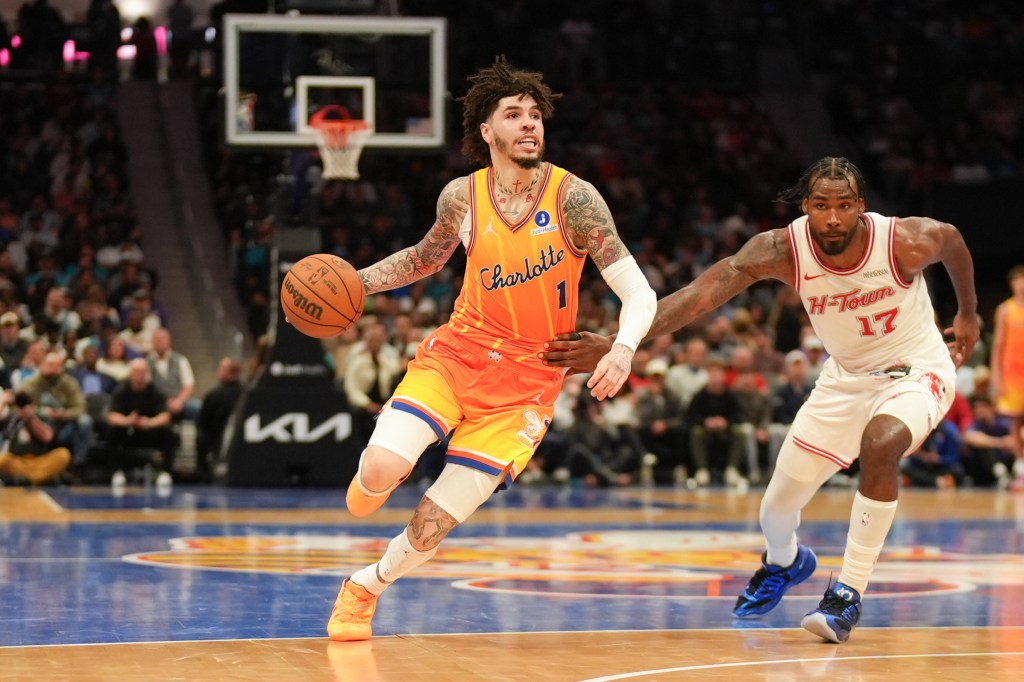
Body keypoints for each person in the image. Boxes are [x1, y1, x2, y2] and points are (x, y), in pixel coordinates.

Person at [541, 157, 978, 643]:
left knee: (880, 444)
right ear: (806, 206)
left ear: (862, 207)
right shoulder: (781, 250)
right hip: (844, 381)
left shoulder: (902, 241)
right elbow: (700, 295)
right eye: (820, 205)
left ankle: (847, 595)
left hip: (916, 370)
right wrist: (621, 340)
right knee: (775, 509)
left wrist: (968, 316)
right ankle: (786, 561)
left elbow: (953, 241)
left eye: (844, 206)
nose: (832, 217)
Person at [326, 56, 656, 642]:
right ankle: (372, 479)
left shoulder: (575, 200)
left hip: (528, 383)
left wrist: (622, 350)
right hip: (460, 354)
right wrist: (358, 281)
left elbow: (639, 292)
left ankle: (365, 587)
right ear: (487, 132)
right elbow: (421, 260)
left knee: (430, 526)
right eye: (514, 114)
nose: (529, 124)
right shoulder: (462, 197)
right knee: (378, 472)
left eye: (535, 115)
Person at [990, 265, 1024, 484]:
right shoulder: (1005, 310)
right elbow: (997, 345)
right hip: (1012, 375)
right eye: (1018, 280)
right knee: (1015, 425)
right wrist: (996, 377)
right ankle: (1021, 469)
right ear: (1012, 283)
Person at [0, 390, 71, 484]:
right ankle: (39, 479)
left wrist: (30, 417)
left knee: (63, 454)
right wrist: (3, 403)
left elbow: (47, 437)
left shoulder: (42, 417)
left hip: (40, 461)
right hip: (19, 462)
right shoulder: (12, 419)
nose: (23, 407)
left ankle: (28, 479)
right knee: (2, 459)